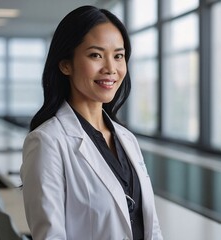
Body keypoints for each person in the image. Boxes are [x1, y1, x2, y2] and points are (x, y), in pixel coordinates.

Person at [21, 5, 163, 240]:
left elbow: (150, 226)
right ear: (66, 64)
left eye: (118, 56)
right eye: (96, 55)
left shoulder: (127, 139)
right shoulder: (47, 142)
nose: (110, 68)